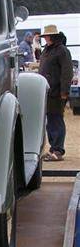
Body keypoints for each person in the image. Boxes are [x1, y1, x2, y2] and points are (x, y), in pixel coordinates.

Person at [39, 24, 73, 161]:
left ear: (52, 36)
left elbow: (67, 72)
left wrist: (64, 91)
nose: (45, 38)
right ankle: (54, 148)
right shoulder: (47, 50)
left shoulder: (62, 51)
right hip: (48, 92)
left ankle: (58, 150)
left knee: (56, 120)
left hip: (57, 92)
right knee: (51, 121)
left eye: (46, 35)